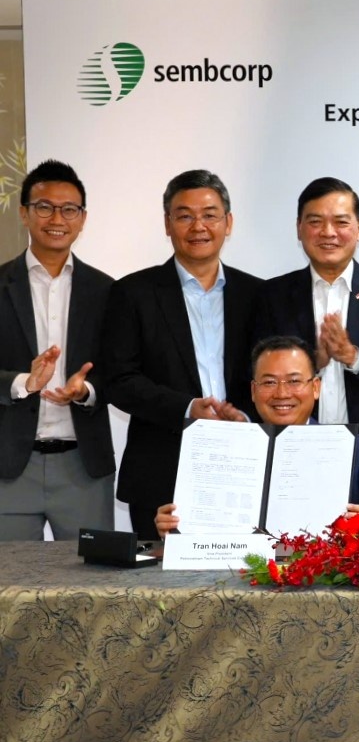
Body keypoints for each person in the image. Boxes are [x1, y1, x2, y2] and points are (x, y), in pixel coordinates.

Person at [102, 169, 262, 541]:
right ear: (167, 224)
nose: (198, 226)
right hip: (161, 469)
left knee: (246, 575)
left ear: (228, 223)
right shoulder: (132, 293)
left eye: (209, 215)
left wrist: (241, 416)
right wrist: (188, 407)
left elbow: (269, 377)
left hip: (242, 467)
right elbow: (119, 381)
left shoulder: (257, 295)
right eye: (185, 215)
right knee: (158, 578)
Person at [252, 177, 359, 494]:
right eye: (315, 221)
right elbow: (254, 377)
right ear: (299, 229)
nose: (328, 232)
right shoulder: (271, 295)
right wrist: (313, 361)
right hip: (292, 455)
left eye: (341, 222)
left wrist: (353, 357)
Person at [155, 335, 359, 536]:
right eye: (269, 382)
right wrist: (174, 527)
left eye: (294, 381)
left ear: (316, 387)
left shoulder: (357, 449)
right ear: (253, 391)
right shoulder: (219, 452)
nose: (282, 393)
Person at [0, 160, 115, 540]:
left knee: (94, 576)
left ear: (82, 219)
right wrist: (23, 383)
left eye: (69, 209)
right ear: (24, 213)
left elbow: (122, 372)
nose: (57, 219)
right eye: (44, 207)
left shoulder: (108, 291)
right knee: (10, 576)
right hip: (9, 467)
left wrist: (86, 390)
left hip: (83, 467)